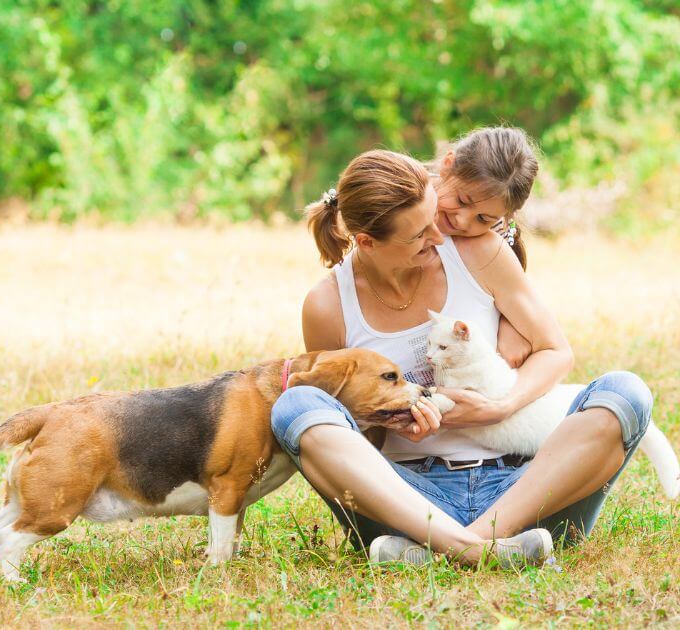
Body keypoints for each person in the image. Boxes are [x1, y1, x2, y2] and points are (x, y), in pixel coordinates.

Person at [270, 128, 654, 566]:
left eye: (437, 216)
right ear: (367, 242)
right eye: (419, 234)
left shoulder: (477, 250)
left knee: (626, 393)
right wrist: (393, 418)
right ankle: (478, 550)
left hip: (521, 487)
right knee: (297, 406)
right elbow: (352, 434)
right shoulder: (327, 305)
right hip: (410, 498)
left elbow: (555, 350)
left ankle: (446, 548)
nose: (441, 235)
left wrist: (500, 407)